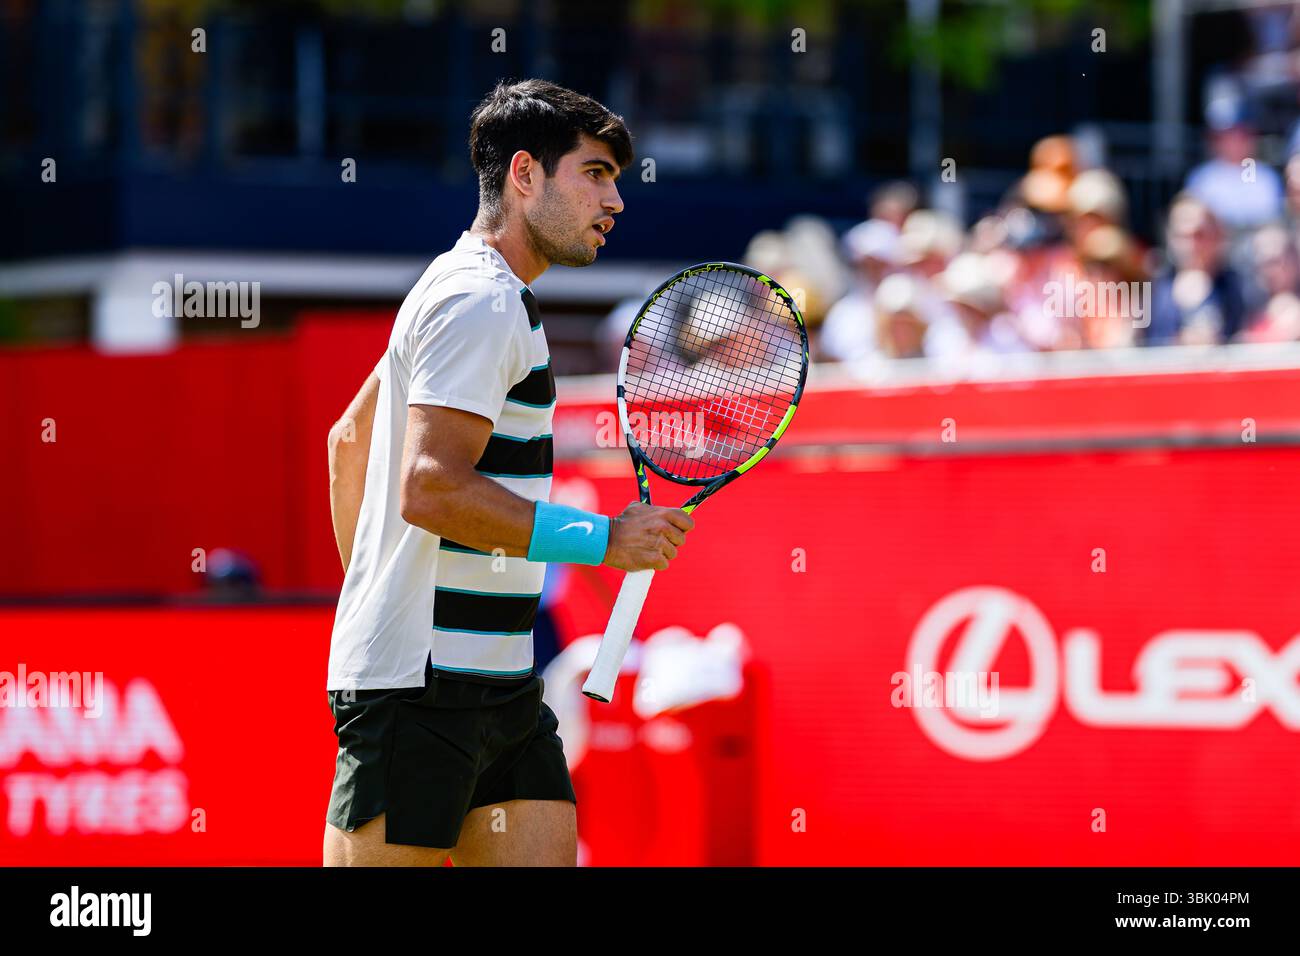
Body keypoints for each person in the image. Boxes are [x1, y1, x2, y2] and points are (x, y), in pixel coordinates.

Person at [321, 79, 694, 867]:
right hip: (419, 688)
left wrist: (376, 587)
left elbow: (348, 438)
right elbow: (429, 486)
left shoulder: (470, 290)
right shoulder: (479, 302)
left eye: (616, 179)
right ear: (524, 175)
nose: (616, 201)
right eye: (594, 173)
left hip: (502, 685)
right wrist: (603, 539)